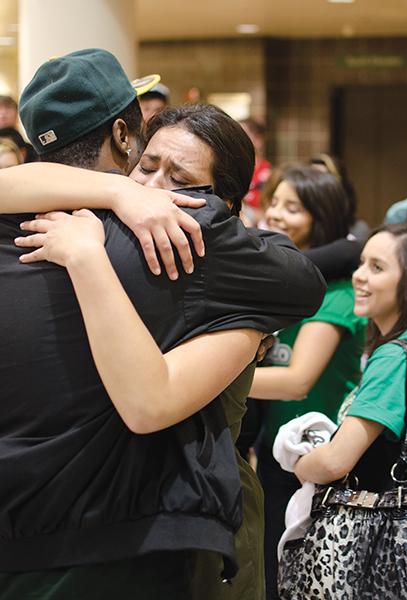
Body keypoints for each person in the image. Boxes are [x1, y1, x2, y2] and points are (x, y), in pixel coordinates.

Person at [0, 49, 325, 599]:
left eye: (180, 178)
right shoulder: (187, 238)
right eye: (148, 167)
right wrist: (110, 207)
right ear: (125, 136)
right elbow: (304, 281)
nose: (154, 189)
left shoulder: (27, 225)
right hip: (140, 530)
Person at [248, 166, 367, 600]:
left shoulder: (335, 293)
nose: (276, 214)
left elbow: (297, 381)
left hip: (319, 458)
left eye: (292, 208)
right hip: (277, 453)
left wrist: (206, 379)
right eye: (274, 202)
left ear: (322, 217)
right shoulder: (282, 282)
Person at [292, 222, 407, 598]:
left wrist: (299, 465)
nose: (360, 277)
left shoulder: (395, 357)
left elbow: (336, 461)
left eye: (377, 268)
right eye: (362, 264)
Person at [309, 152, 370, 242]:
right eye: (311, 178)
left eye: (323, 179)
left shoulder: (357, 230)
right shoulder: (298, 225)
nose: (316, 186)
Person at [239, 118, 272, 225]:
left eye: (241, 135)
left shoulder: (268, 174)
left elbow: (268, 214)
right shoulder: (227, 170)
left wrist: (247, 213)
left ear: (258, 140)